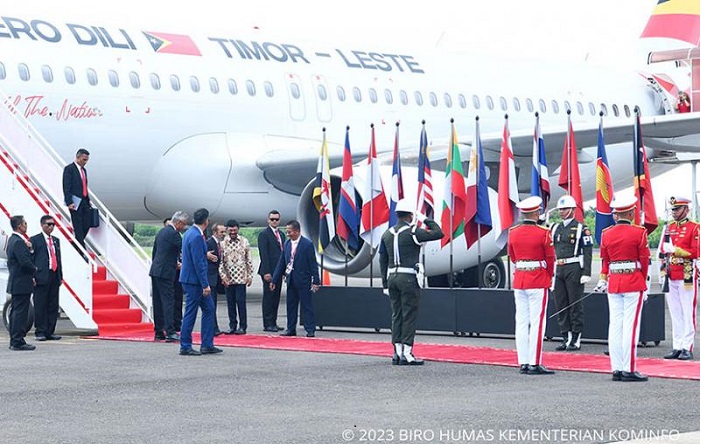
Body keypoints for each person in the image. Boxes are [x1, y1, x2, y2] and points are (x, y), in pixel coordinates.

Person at [379, 199, 443, 365]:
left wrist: (384, 284)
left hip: (392, 278)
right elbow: (438, 232)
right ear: (410, 215)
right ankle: (407, 353)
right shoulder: (414, 232)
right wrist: (425, 218)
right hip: (407, 278)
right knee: (409, 314)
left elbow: (383, 260)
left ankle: (397, 352)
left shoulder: (386, 234)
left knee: (396, 314)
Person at [596, 194, 650, 382]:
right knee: (630, 327)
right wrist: (643, 282)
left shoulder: (606, 233)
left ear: (617, 214)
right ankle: (629, 368)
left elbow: (605, 261)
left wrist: (604, 279)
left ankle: (617, 367)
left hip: (614, 282)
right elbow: (644, 262)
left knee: (615, 326)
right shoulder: (639, 232)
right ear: (631, 212)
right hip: (633, 281)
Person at [507, 196, 556, 375]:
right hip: (537, 279)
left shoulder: (513, 232)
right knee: (537, 323)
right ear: (536, 213)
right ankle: (534, 362)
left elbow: (512, 255)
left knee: (521, 322)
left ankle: (523, 362)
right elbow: (550, 258)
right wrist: (549, 277)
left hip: (520, 279)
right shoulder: (543, 233)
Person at [550, 195, 593, 351]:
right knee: (561, 304)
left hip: (574, 267)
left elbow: (587, 251)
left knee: (575, 304)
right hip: (559, 268)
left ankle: (576, 338)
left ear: (573, 210)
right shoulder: (555, 227)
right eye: (560, 209)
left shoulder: (582, 228)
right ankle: (565, 336)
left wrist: (586, 272)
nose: (562, 212)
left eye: (565, 209)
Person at [659, 196, 699, 360]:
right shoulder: (668, 227)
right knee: (675, 312)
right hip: (671, 271)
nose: (674, 212)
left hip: (687, 271)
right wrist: (662, 273)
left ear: (686, 210)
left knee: (687, 310)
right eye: (673, 209)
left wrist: (676, 250)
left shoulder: (695, 228)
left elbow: (696, 252)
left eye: (677, 209)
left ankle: (687, 346)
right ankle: (677, 345)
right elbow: (662, 251)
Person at [179, 208, 222, 356]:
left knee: (209, 309)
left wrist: (205, 254)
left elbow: (194, 254)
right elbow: (198, 263)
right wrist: (205, 284)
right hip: (194, 281)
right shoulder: (197, 236)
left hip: (189, 278)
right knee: (191, 312)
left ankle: (207, 344)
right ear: (206, 221)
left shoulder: (189, 233)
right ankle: (185, 345)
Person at [271, 220, 320, 337]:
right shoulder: (287, 244)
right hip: (291, 280)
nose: (288, 234)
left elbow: (313, 264)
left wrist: (316, 281)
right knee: (291, 306)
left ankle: (310, 329)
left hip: (303, 280)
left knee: (306, 306)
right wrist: (274, 279)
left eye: (290, 232)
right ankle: (291, 328)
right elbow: (281, 263)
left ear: (297, 231)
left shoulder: (307, 244)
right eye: (287, 232)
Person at [150, 211, 187, 342]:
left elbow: (156, 252)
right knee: (168, 301)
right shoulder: (174, 234)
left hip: (156, 270)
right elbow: (185, 249)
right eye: (184, 225)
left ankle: (159, 331)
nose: (184, 228)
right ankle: (170, 331)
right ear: (179, 223)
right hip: (166, 272)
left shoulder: (161, 232)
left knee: (158, 302)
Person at [6, 215, 37, 351]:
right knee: (20, 313)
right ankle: (17, 341)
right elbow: (25, 263)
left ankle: (15, 339)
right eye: (25, 223)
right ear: (20, 226)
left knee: (15, 312)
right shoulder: (18, 242)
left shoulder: (12, 240)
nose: (26, 226)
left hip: (16, 282)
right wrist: (35, 270)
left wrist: (29, 249)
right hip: (21, 283)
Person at [30, 215, 63, 342]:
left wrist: (60, 276)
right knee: (40, 304)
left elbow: (59, 259)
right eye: (49, 224)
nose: (51, 227)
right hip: (41, 276)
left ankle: (50, 331)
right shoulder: (35, 240)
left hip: (54, 274)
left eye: (53, 224)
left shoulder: (55, 240)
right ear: (42, 225)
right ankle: (40, 331)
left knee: (53, 304)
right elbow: (31, 259)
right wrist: (33, 276)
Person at [219, 220, 253, 335]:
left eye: (234, 230)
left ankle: (243, 326)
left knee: (241, 303)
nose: (232, 232)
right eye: (230, 230)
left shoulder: (244, 242)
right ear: (227, 230)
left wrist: (250, 276)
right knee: (230, 303)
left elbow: (249, 260)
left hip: (241, 278)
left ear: (238, 229)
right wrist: (223, 276)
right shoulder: (223, 243)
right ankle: (232, 325)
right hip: (228, 279)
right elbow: (220, 262)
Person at [258, 210, 286, 332]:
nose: (274, 221)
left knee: (276, 297)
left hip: (278, 271)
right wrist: (266, 272)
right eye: (272, 219)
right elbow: (263, 255)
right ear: (268, 220)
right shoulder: (264, 234)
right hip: (269, 271)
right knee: (269, 297)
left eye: (276, 219)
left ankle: (273, 322)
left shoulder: (281, 234)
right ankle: (267, 323)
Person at [62, 148, 92, 247]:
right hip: (75, 202)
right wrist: (69, 202)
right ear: (77, 157)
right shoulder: (69, 169)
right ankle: (82, 249)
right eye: (84, 159)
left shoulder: (84, 170)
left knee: (88, 223)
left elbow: (84, 186)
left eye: (87, 160)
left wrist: (88, 199)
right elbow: (66, 186)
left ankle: (76, 245)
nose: (86, 162)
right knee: (78, 226)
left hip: (84, 201)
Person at [163, 218, 185, 332]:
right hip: (169, 272)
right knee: (169, 300)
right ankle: (169, 325)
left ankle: (177, 323)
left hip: (178, 273)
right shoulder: (166, 237)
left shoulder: (176, 236)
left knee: (178, 299)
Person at [205, 223, 226, 336]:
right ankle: (212, 328)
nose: (224, 234)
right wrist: (206, 254)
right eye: (221, 232)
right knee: (210, 304)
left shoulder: (219, 244)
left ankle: (214, 327)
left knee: (213, 304)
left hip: (216, 278)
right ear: (215, 232)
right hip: (210, 277)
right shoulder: (209, 243)